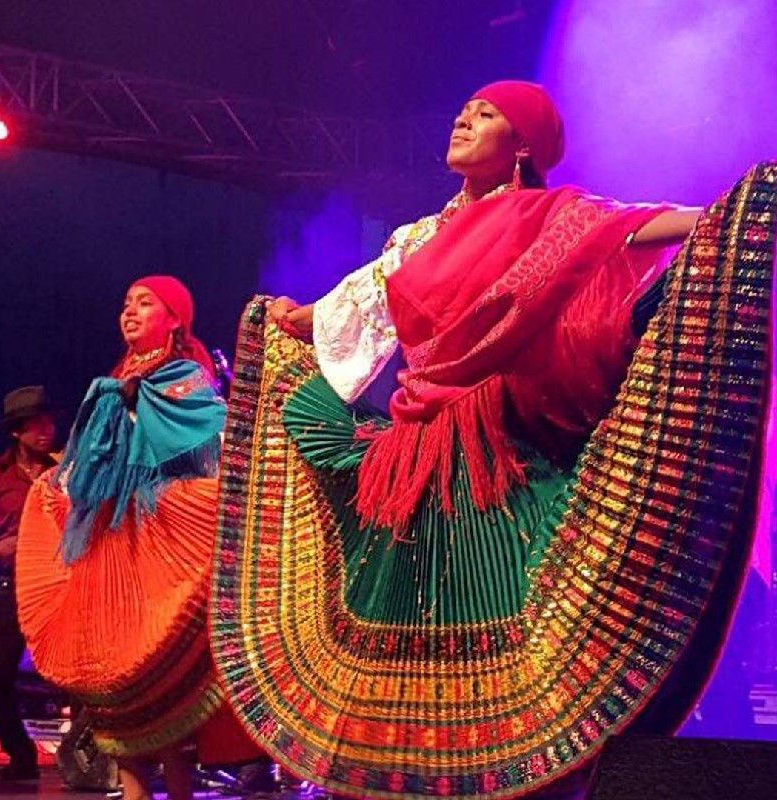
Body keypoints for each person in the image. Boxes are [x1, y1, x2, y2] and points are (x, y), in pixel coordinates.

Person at [210, 80, 777, 799]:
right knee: (316, 437)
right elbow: (359, 300)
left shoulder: (555, 219)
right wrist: (297, 319)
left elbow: (635, 228)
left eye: (484, 114)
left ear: (525, 145)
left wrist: (730, 218)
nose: (462, 119)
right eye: (462, 110)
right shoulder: (418, 239)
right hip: (419, 449)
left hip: (499, 452)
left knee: (523, 626)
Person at [15, 275, 262, 800]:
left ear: (175, 319)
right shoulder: (112, 381)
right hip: (112, 542)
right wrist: (57, 484)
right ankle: (138, 792)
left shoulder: (186, 379)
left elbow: (210, 442)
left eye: (145, 303)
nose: (130, 312)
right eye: (126, 303)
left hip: (160, 537)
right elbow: (90, 459)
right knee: (118, 672)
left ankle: (174, 789)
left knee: (152, 658)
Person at [0, 386, 57, 783]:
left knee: (77, 673)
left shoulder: (64, 470)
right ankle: (20, 754)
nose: (45, 430)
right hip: (13, 583)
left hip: (60, 583)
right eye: (34, 424)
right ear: (16, 431)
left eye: (48, 421)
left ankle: (89, 755)